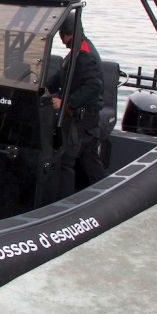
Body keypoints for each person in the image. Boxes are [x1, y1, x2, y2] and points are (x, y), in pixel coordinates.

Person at [50, 12, 106, 198]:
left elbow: (93, 86)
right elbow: (62, 77)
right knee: (89, 159)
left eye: (62, 35)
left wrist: (66, 103)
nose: (61, 39)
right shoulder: (75, 52)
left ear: (67, 34)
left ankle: (63, 203)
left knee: (66, 161)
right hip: (81, 116)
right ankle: (101, 194)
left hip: (83, 119)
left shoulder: (84, 54)